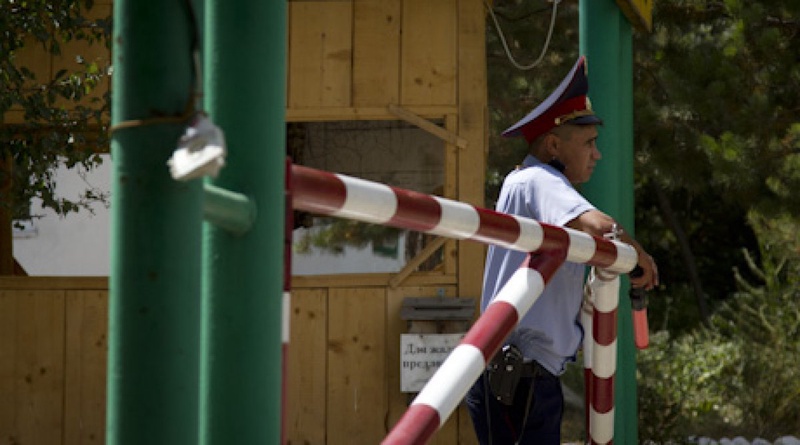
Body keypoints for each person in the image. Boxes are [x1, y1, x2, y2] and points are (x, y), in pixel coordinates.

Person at [465, 56, 659, 444]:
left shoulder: (533, 185)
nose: (597, 154)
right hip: (520, 378)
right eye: (588, 143)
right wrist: (642, 260)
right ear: (554, 144)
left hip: (522, 375)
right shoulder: (540, 179)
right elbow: (603, 228)